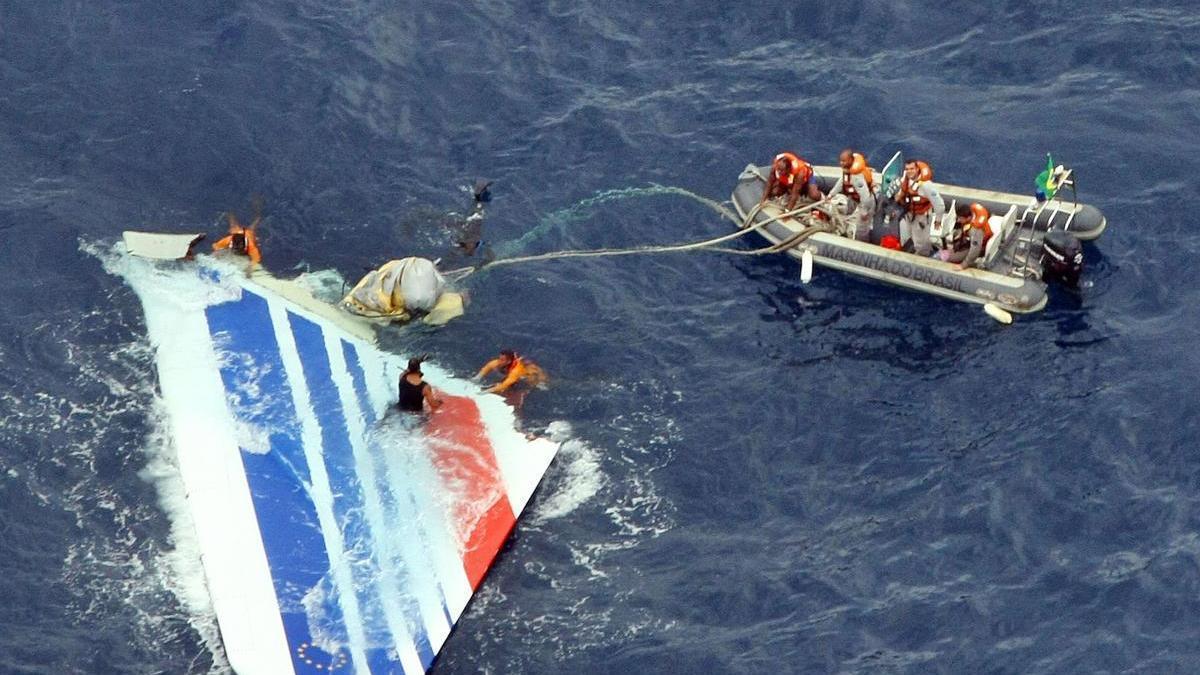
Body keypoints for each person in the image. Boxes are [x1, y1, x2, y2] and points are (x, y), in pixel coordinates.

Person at [894, 159, 944, 256]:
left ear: (917, 169)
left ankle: (923, 257)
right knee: (908, 235)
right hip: (909, 213)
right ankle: (911, 250)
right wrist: (899, 197)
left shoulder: (926, 186)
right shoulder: (907, 179)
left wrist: (938, 221)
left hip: (921, 217)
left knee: (920, 241)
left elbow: (940, 205)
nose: (909, 171)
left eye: (912, 169)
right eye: (907, 169)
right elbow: (903, 191)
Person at [827, 149, 877, 241]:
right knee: (847, 211)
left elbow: (865, 196)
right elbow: (842, 182)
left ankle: (862, 243)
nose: (841, 163)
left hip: (865, 202)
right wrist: (831, 194)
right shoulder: (847, 170)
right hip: (853, 198)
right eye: (840, 161)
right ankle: (845, 224)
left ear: (850, 160)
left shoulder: (857, 177)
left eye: (843, 161)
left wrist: (864, 211)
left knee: (862, 228)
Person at [759, 151, 823, 211]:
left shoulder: (800, 173)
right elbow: (769, 183)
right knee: (774, 192)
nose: (779, 172)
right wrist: (763, 200)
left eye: (781, 170)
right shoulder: (775, 168)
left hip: (806, 179)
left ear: (788, 169)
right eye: (778, 169)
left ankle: (823, 198)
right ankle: (787, 192)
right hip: (787, 182)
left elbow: (795, 193)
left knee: (814, 195)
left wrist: (787, 211)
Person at [941, 202, 993, 270]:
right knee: (956, 234)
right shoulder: (972, 213)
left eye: (960, 218)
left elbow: (975, 250)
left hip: (981, 247)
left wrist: (963, 265)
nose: (958, 220)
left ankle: (966, 262)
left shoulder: (975, 231)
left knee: (949, 257)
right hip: (970, 239)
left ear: (968, 218)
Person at [475, 349, 547, 394]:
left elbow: (504, 385)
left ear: (509, 361)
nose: (499, 361)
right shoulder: (499, 362)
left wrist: (487, 391)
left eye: (502, 360)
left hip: (528, 375)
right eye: (499, 358)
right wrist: (478, 377)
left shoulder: (515, 372)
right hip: (516, 370)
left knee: (540, 385)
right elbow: (488, 366)